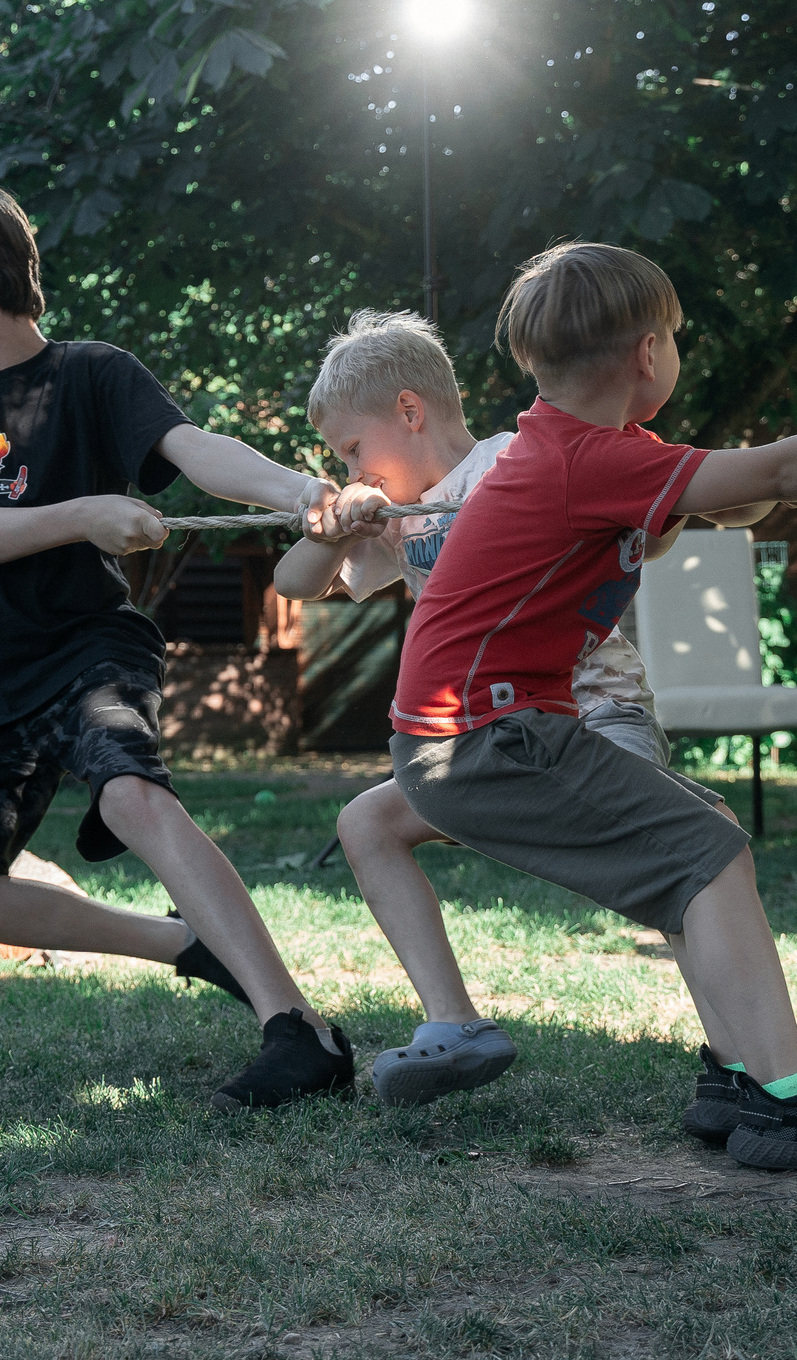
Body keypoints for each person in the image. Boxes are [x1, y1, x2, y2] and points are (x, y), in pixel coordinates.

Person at [385, 241, 797, 1170]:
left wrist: (717, 488)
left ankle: (735, 1075)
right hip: (485, 737)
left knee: (699, 830)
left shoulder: (580, 449)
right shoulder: (585, 459)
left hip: (471, 734)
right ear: (649, 354)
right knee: (710, 853)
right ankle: (790, 1097)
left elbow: (725, 492)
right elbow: (783, 471)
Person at [0, 184, 358, 1112]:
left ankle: (299, 1033)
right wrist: (87, 513)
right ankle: (186, 942)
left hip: (90, 643)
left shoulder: (95, 372)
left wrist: (302, 492)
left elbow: (194, 448)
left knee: (132, 791)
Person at [271, 310, 765, 1107]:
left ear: (409, 411)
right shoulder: (400, 514)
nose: (351, 466)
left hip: (597, 714)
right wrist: (335, 523)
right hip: (493, 745)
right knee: (367, 823)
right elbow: (296, 584)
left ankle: (741, 1062)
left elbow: (642, 513)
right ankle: (454, 1021)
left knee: (679, 868)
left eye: (352, 449)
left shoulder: (515, 461)